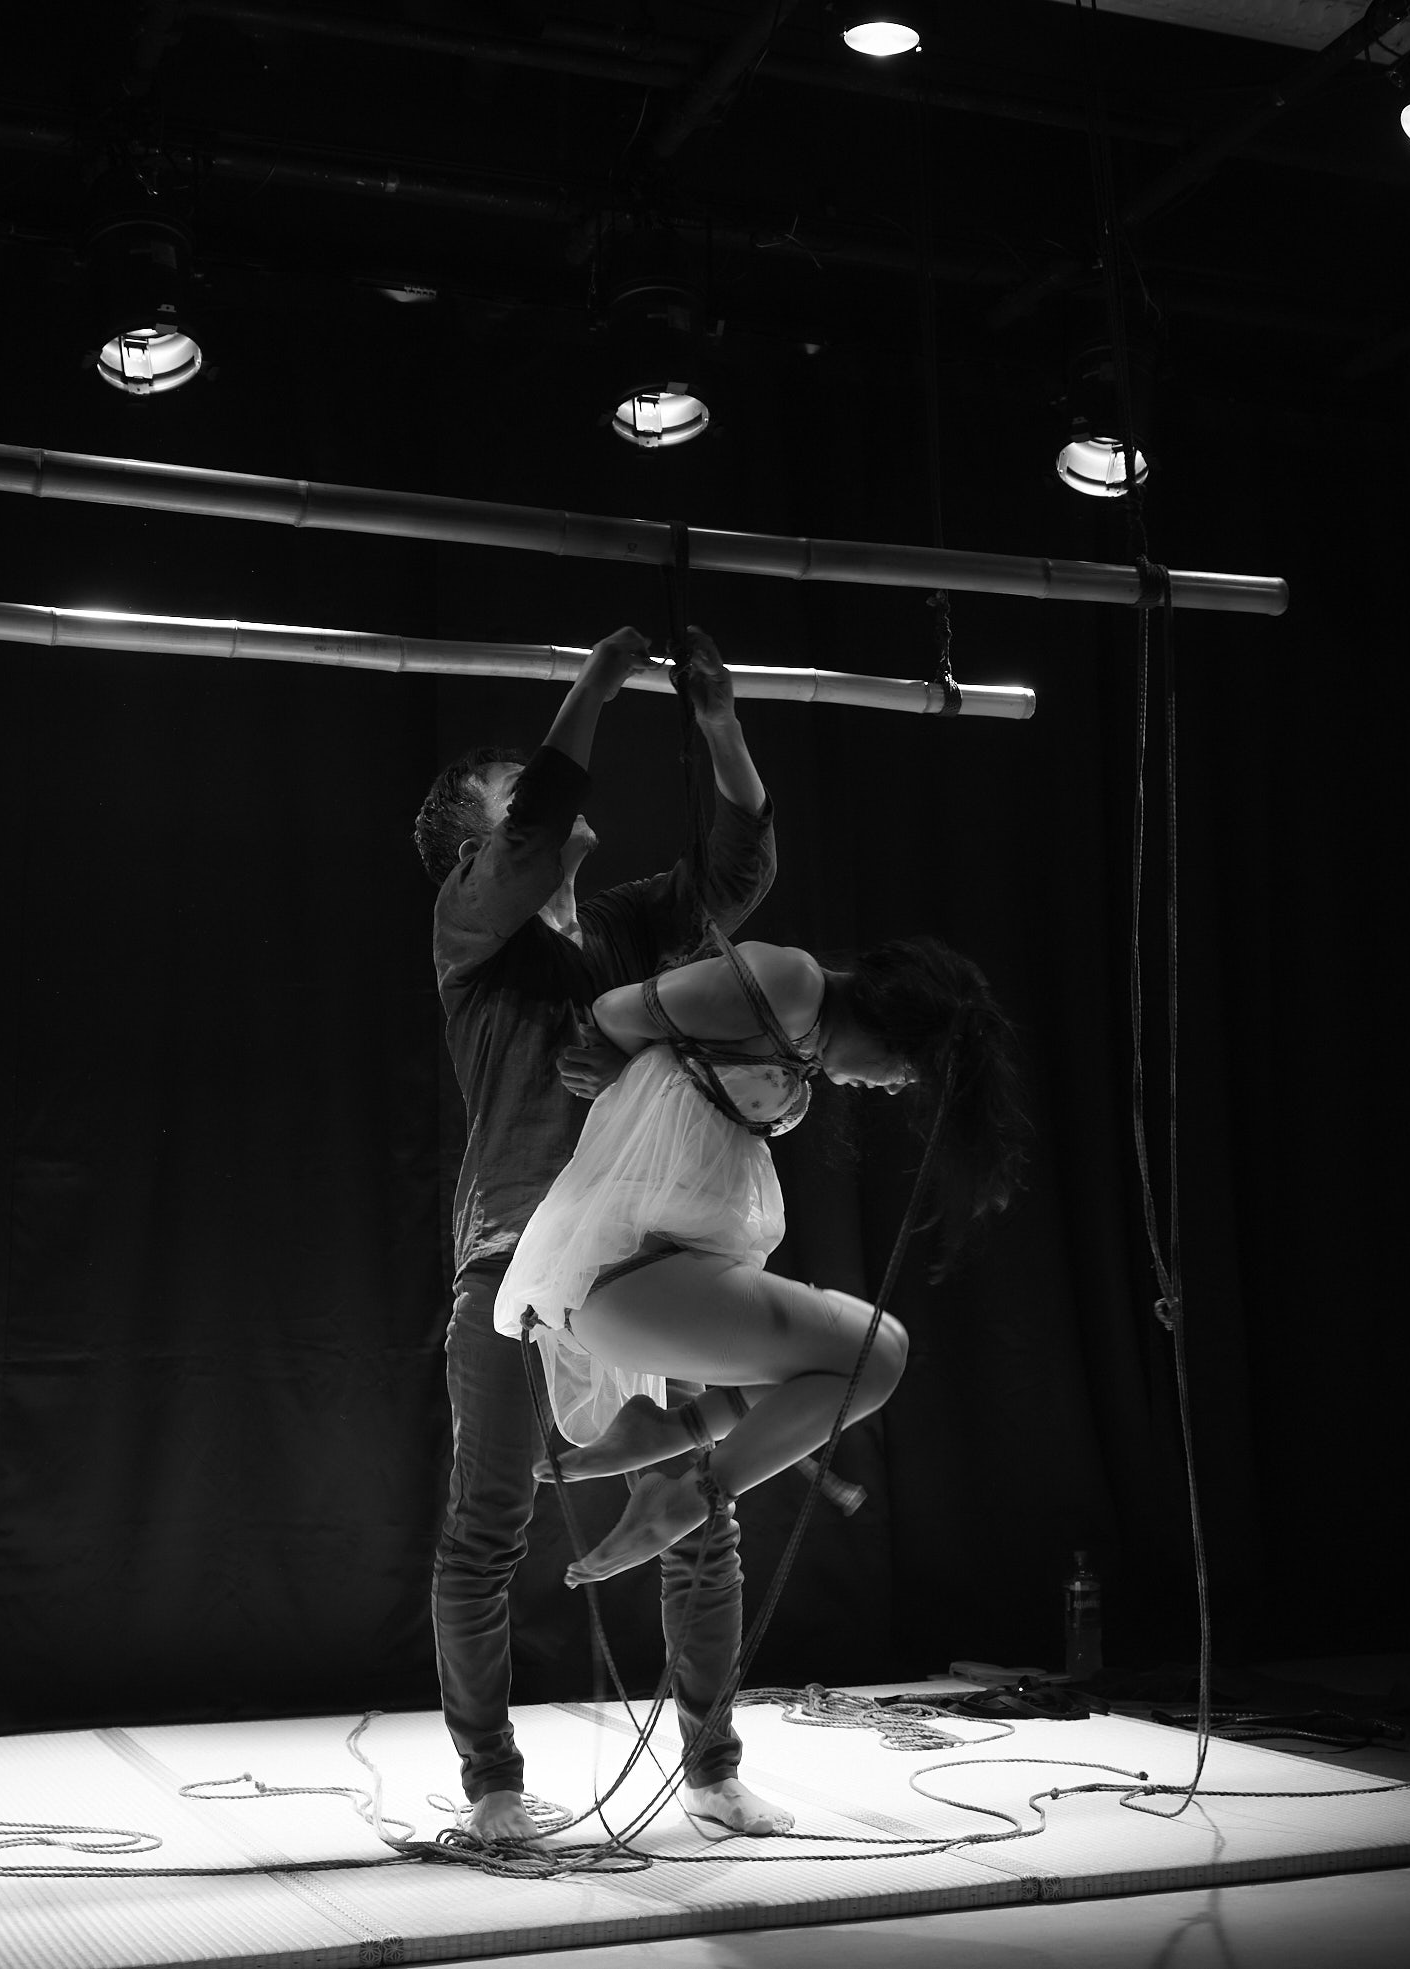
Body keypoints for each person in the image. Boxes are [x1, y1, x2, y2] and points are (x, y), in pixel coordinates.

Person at [421, 622, 784, 1846]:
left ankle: (713, 1767)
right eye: (510, 795)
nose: (539, 800)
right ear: (472, 849)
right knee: (489, 1523)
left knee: (698, 1506)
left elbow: (733, 874)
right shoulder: (473, 927)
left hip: (641, 1256)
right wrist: (598, 677)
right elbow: (536, 829)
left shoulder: (623, 932)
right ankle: (492, 1783)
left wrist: (720, 722)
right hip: (513, 1257)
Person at [491, 931, 1027, 1585]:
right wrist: (623, 1063)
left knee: (853, 1360)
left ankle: (672, 1433)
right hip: (624, 1275)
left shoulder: (799, 1035)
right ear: (895, 1021)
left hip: (653, 1280)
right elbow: (613, 1010)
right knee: (873, 1353)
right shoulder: (789, 985)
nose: (893, 1087)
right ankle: (688, 1494)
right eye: (906, 1068)